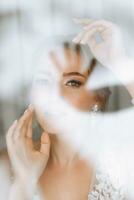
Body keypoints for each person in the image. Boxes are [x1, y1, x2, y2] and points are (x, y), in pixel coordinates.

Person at [1, 19, 134, 200]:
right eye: (43, 81)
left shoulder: (123, 157)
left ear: (97, 98)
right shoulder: (6, 165)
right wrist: (24, 181)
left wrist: (119, 61)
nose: (55, 95)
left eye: (72, 82)